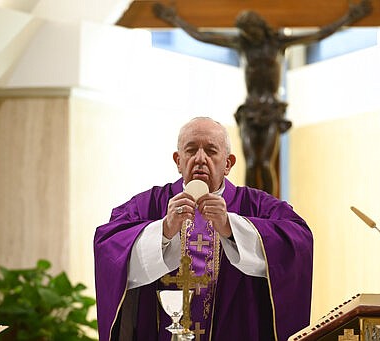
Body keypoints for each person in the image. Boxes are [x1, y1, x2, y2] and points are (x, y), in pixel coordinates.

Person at [94, 117, 313, 341]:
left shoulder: (255, 205)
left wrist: (231, 227)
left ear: (228, 163)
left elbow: (299, 239)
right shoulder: (150, 205)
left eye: (210, 151)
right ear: (178, 161)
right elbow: (108, 244)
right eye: (191, 150)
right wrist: (164, 231)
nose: (200, 159)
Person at [153, 1, 372, 196]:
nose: (246, 34)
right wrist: (174, 19)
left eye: (248, 30)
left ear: (257, 28)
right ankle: (250, 207)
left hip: (271, 111)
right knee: (250, 164)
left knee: (265, 163)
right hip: (249, 111)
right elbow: (204, 35)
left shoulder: (276, 43)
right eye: (243, 31)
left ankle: (270, 207)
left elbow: (318, 35)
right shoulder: (243, 44)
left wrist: (349, 18)